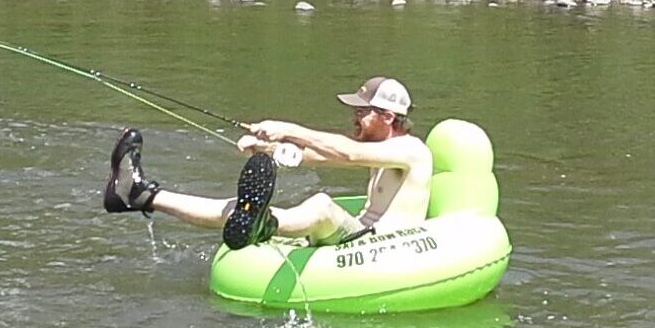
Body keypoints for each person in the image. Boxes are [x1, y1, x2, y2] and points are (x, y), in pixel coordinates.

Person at [103, 76, 433, 249]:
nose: (355, 117)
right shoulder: (381, 149)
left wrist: (287, 127)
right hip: (357, 237)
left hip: (385, 246)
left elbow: (347, 153)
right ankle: (140, 195)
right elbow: (318, 155)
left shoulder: (412, 151)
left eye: (362, 112)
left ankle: (262, 224)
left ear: (389, 117)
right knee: (239, 209)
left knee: (321, 204)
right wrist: (267, 148)